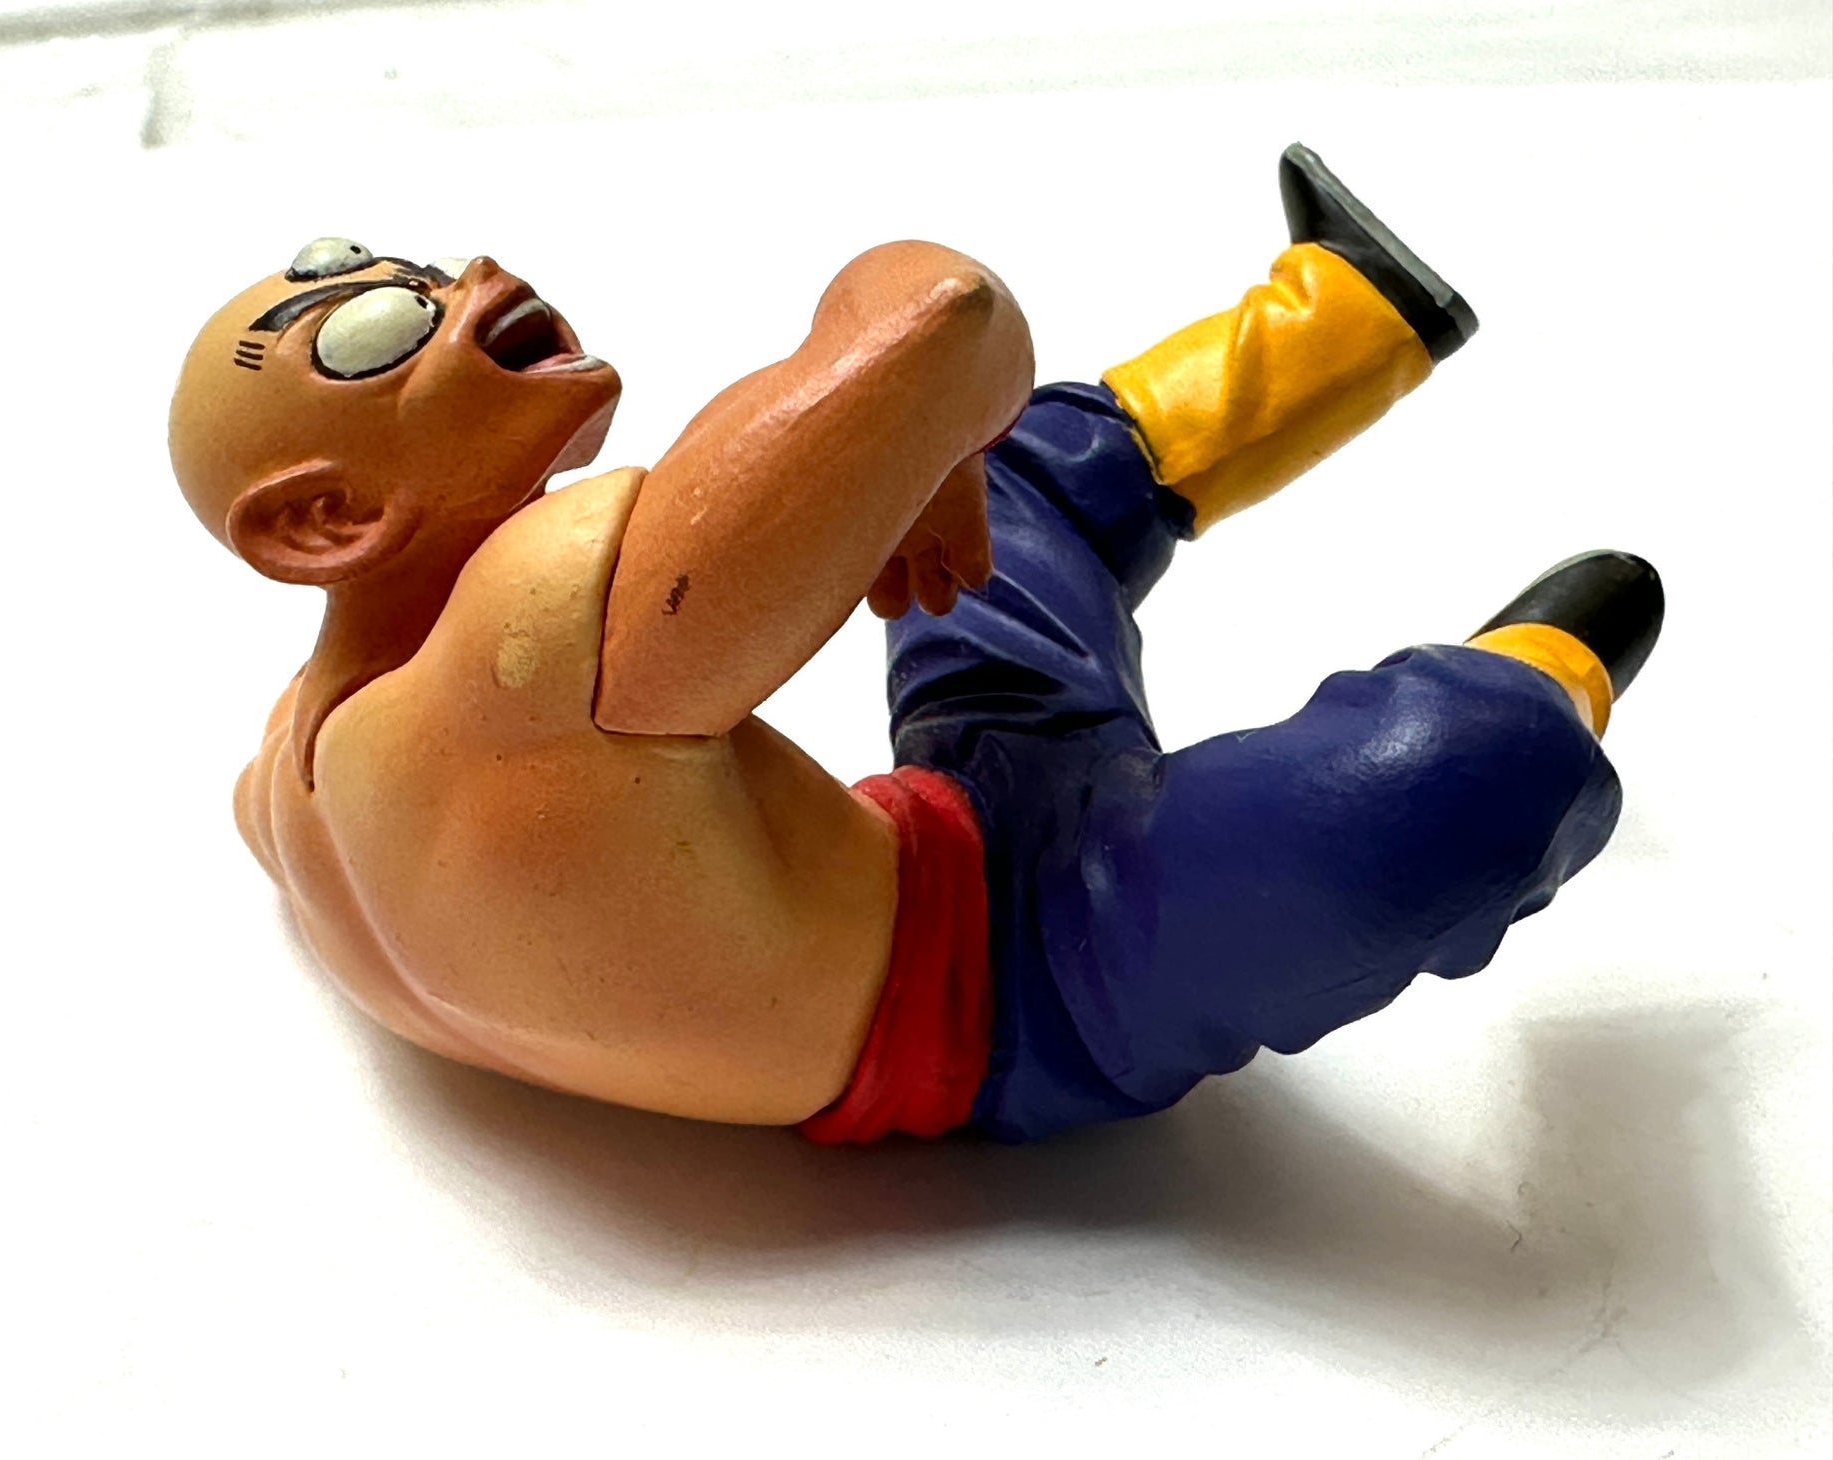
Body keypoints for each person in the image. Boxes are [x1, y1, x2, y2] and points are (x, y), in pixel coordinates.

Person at [169, 144, 1661, 1144]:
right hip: (1048, 992)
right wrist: (929, 429)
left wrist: (932, 451)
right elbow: (945, 317)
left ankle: (1351, 308)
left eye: (413, 271)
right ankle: (1551, 663)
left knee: (1006, 492)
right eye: (376, 336)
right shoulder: (541, 628)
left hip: (946, 824)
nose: (473, 280)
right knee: (1446, 772)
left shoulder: (280, 783)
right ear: (322, 520)